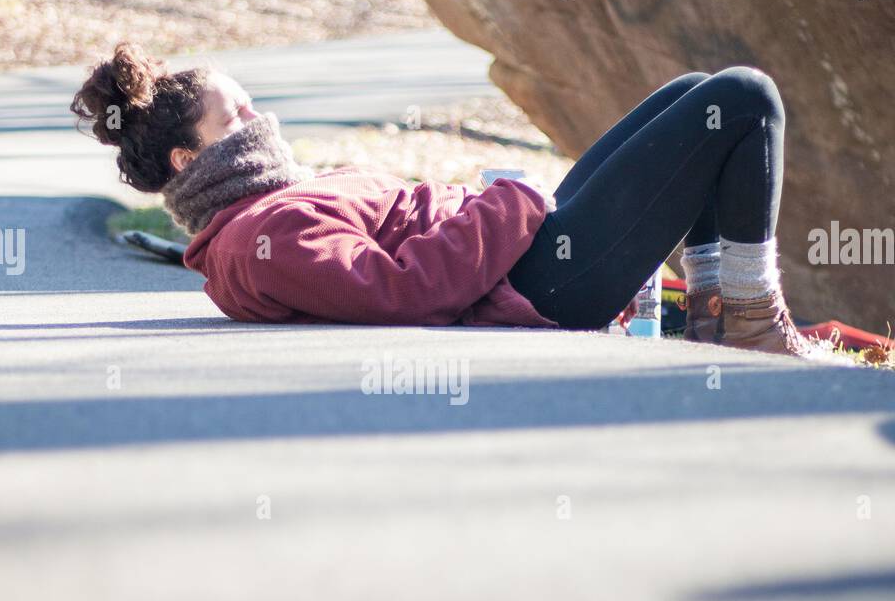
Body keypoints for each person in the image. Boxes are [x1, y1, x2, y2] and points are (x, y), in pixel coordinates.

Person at [71, 41, 810, 354]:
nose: (260, 122)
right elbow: (403, 292)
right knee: (745, 97)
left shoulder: (267, 212)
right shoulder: (259, 240)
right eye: (236, 116)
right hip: (540, 282)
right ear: (188, 158)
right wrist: (509, 202)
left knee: (695, 94)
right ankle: (751, 317)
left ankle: (720, 314)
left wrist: (500, 207)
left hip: (524, 255)